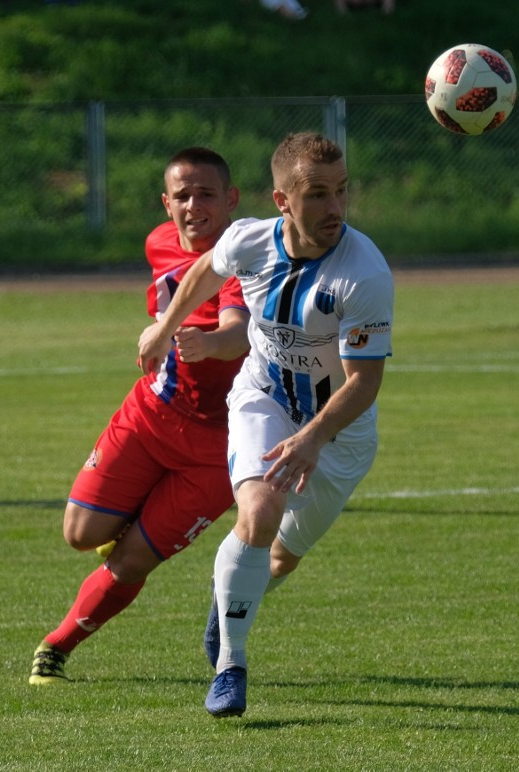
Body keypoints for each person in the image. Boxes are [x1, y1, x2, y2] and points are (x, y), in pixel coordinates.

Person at [138, 132, 394, 717]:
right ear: (282, 200)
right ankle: (232, 666)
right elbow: (206, 267)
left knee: (280, 558)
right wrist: (163, 327)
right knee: (258, 513)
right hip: (264, 398)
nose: (335, 209)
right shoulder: (251, 240)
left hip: (341, 433)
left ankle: (230, 597)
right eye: (317, 195)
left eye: (342, 192)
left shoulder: (365, 273)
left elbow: (364, 383)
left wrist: (312, 440)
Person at [28, 147, 250, 685]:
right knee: (80, 533)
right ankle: (131, 520)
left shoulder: (248, 255)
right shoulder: (159, 241)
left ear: (231, 200)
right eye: (182, 196)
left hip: (219, 449)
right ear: (166, 203)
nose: (194, 205)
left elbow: (238, 329)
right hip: (150, 414)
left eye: (206, 194)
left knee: (131, 562)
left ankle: (56, 647)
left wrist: (209, 343)